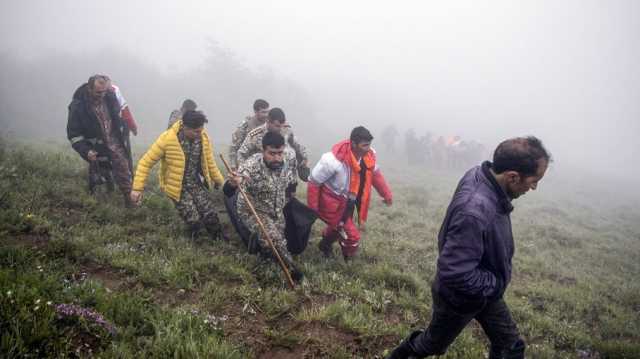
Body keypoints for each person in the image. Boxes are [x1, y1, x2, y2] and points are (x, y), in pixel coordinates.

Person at [387, 136, 551, 359]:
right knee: (432, 344)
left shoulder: (481, 174)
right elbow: (455, 272)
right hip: (461, 296)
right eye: (534, 180)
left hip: (483, 289)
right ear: (512, 176)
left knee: (510, 348)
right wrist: (495, 284)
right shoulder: (475, 211)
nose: (534, 187)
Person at [130, 110, 226, 240]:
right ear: (185, 127)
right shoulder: (167, 139)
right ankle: (197, 243)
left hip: (195, 183)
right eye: (196, 131)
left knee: (209, 213)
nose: (200, 134)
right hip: (177, 187)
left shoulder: (203, 138)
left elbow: (210, 163)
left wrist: (222, 182)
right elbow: (145, 163)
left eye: (201, 130)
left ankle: (219, 240)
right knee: (193, 218)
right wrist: (137, 188)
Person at [224, 131, 304, 281]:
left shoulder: (287, 159)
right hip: (253, 210)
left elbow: (292, 178)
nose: (277, 158)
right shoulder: (251, 165)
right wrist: (233, 182)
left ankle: (257, 246)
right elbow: (228, 190)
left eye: (279, 153)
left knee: (277, 239)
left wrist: (292, 191)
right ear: (263, 150)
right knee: (274, 241)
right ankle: (293, 272)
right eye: (272, 153)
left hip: (276, 210)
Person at [307, 126, 393, 261]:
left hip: (349, 203)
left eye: (369, 145)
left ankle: (325, 244)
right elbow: (314, 182)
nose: (367, 148)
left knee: (338, 227)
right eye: (364, 145)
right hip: (331, 203)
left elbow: (376, 176)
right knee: (352, 235)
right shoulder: (333, 160)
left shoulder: (368, 157)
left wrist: (386, 195)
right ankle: (348, 259)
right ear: (353, 143)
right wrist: (313, 209)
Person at [66, 74, 133, 206]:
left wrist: (125, 129)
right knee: (99, 177)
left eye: (104, 92)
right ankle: (96, 204)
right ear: (89, 89)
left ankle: (130, 202)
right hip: (95, 148)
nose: (101, 95)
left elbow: (120, 116)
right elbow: (74, 135)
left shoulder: (110, 97)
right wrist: (86, 151)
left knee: (124, 170)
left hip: (115, 143)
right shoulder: (78, 106)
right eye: (98, 92)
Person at [236, 107, 310, 181]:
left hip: (283, 176)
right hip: (261, 177)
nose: (280, 129)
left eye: (282, 125)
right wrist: (244, 172)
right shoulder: (255, 135)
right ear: (268, 121)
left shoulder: (286, 130)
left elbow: (297, 145)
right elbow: (241, 154)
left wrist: (304, 158)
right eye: (277, 126)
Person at [228, 99, 270, 169]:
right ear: (256, 112)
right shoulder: (245, 126)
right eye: (263, 112)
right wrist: (233, 166)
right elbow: (234, 147)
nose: (266, 115)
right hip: (248, 164)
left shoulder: (270, 125)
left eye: (268, 112)